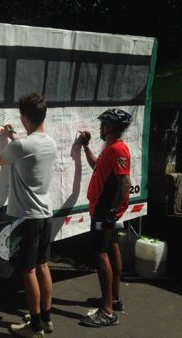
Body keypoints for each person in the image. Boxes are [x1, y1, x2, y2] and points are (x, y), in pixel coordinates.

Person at [0, 92, 57, 338]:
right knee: (43, 265)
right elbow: (26, 153)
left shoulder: (23, 146)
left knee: (27, 271)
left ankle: (35, 326)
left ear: (25, 117)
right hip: (45, 215)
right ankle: (46, 318)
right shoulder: (49, 142)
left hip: (26, 217)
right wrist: (14, 137)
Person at [77, 108, 132, 327]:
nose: (100, 128)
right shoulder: (109, 149)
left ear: (108, 127)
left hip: (104, 210)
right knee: (113, 249)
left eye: (102, 125)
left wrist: (113, 212)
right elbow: (95, 166)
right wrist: (85, 146)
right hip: (106, 209)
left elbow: (125, 183)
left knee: (100, 256)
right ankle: (114, 299)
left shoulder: (118, 149)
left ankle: (107, 311)